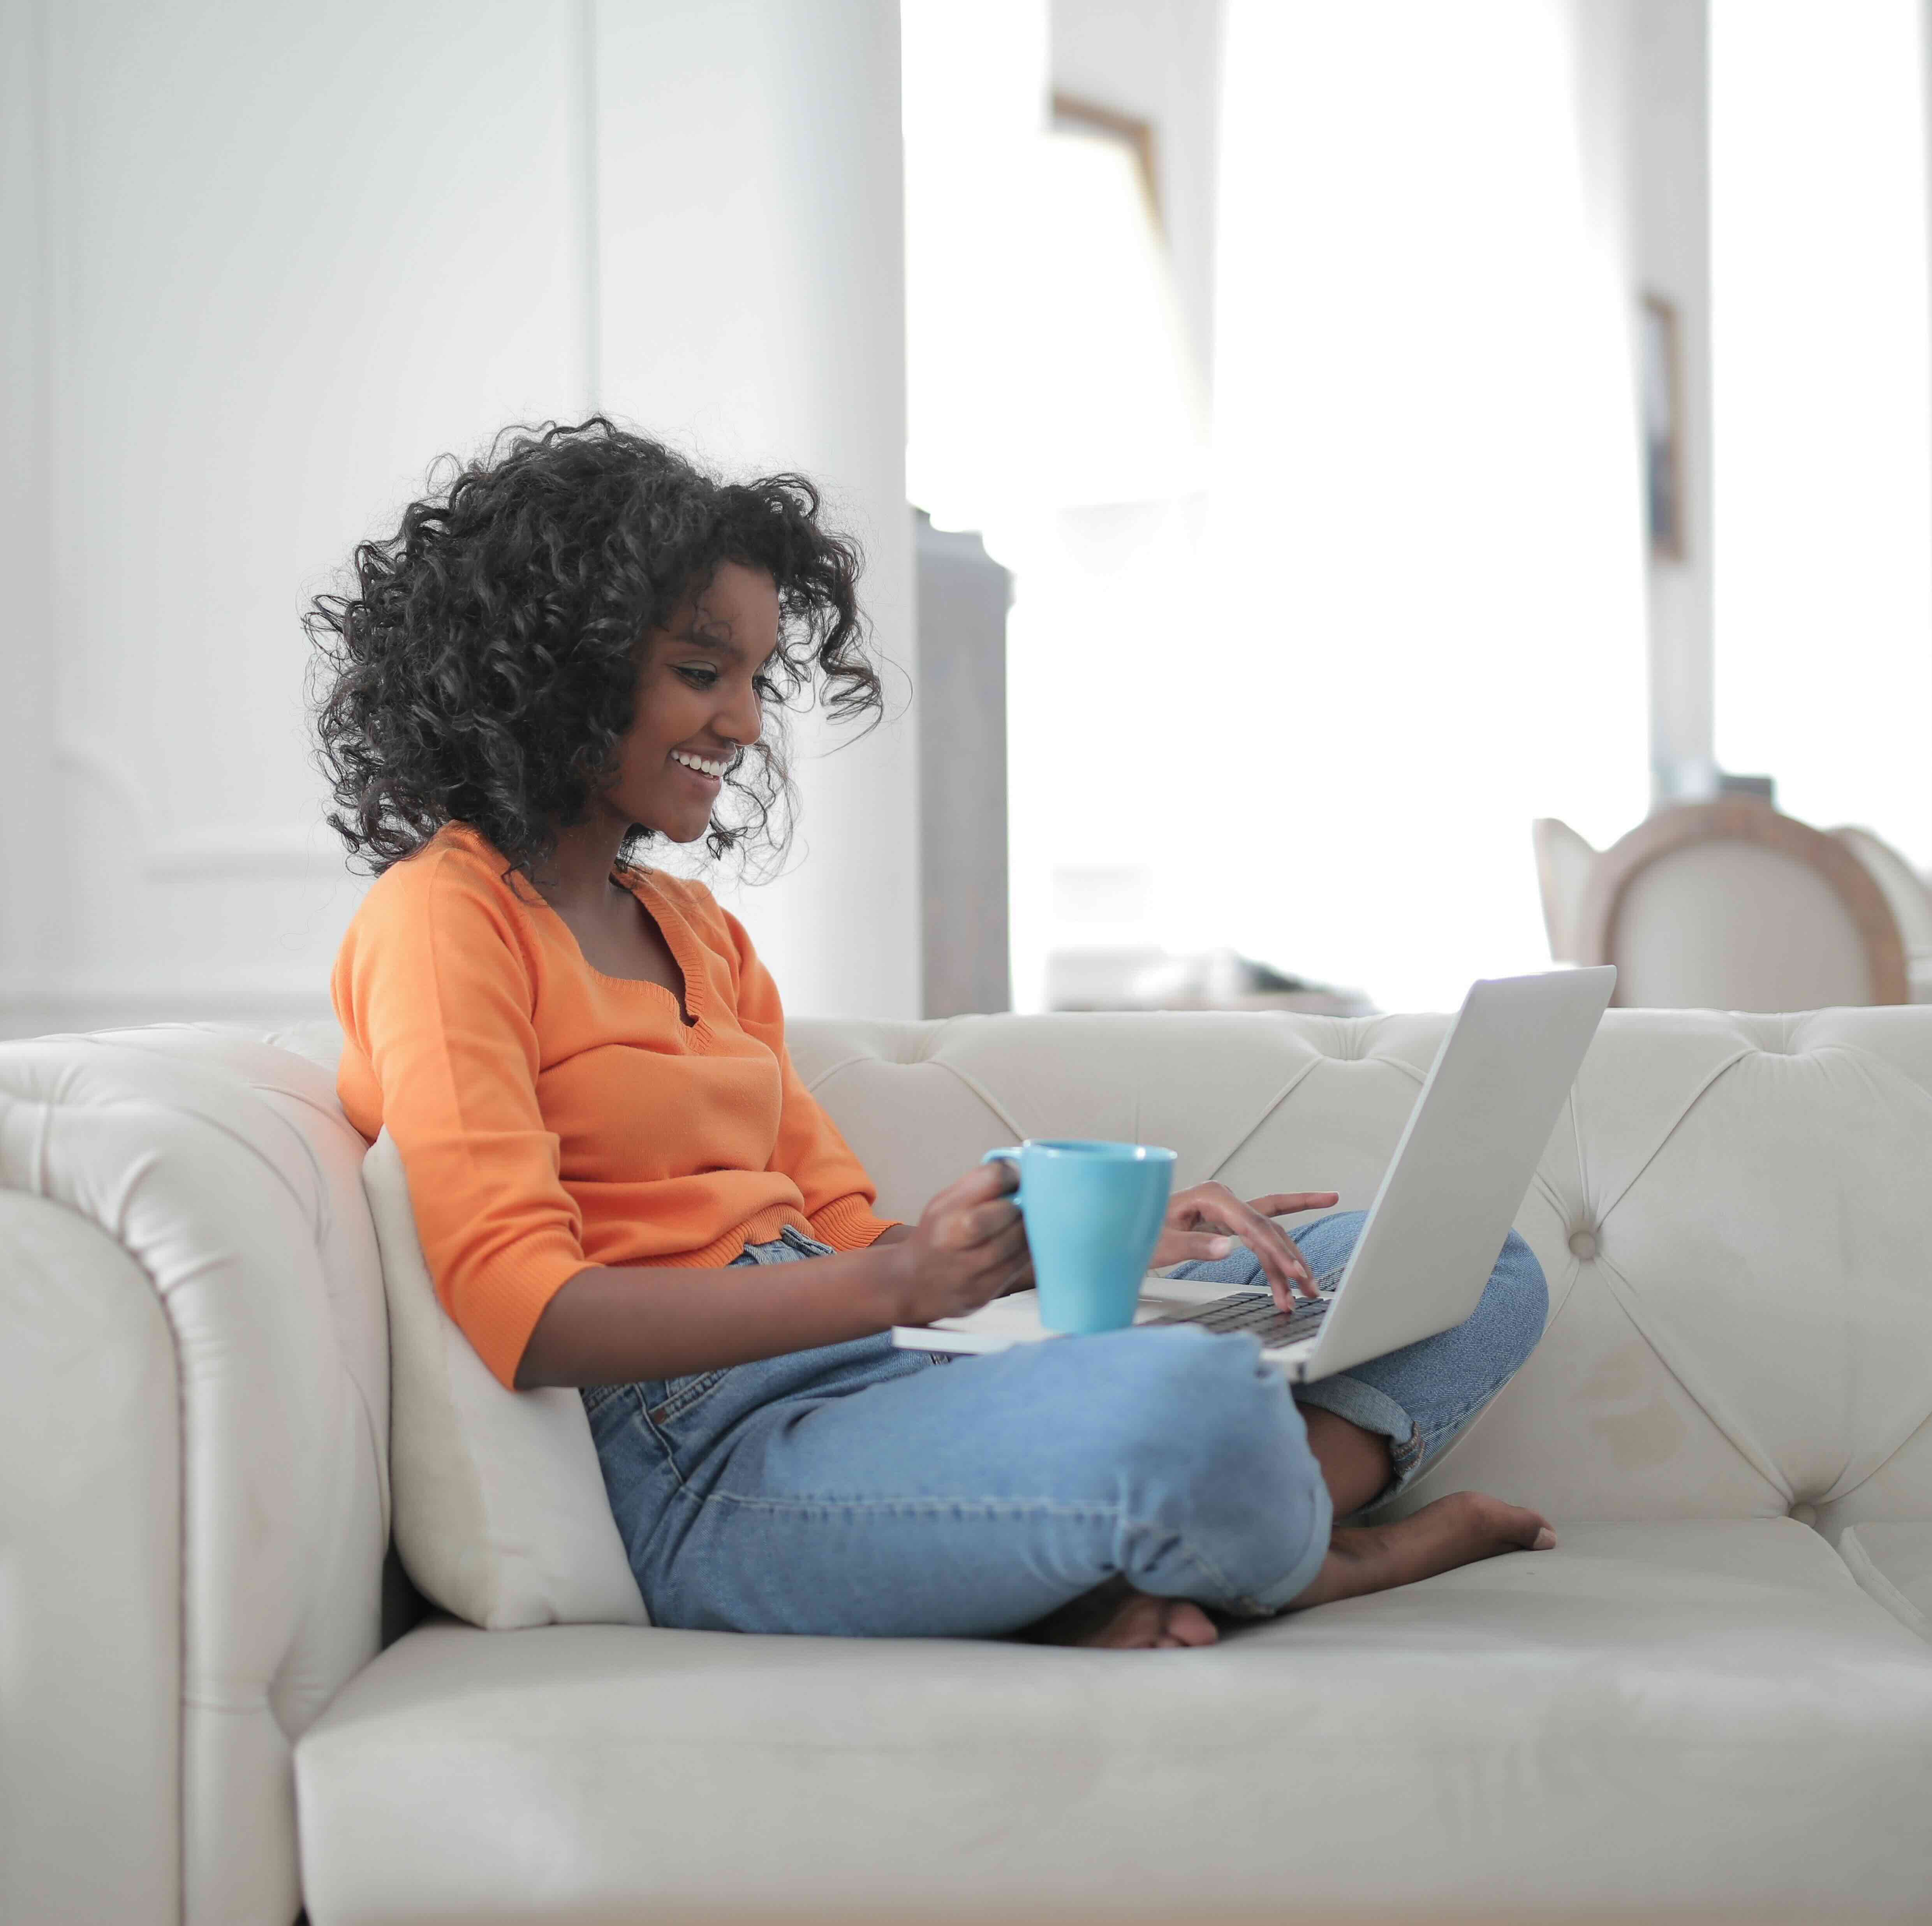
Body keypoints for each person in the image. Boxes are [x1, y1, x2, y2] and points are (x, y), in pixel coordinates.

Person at [313, 418, 1556, 1650]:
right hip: (708, 1459)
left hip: (891, 1372)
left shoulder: (697, 932)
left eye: (756, 678)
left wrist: (1077, 1248)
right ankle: (1331, 1556)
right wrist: (895, 1285)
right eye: (702, 671)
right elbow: (527, 1313)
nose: (743, 723)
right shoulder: (445, 919)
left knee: (1470, 1265)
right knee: (1191, 1402)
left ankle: (1158, 1550)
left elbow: (849, 1238)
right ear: (560, 667)